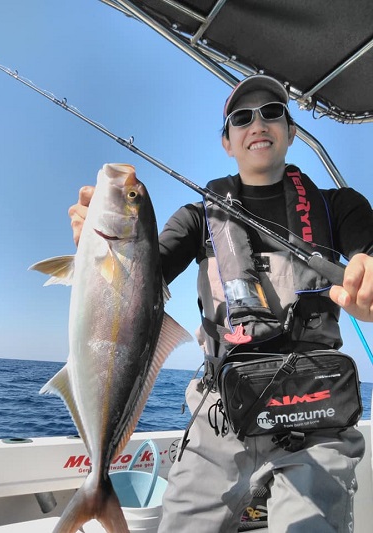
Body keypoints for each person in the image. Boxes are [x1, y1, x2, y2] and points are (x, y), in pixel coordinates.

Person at [69, 75, 373, 532]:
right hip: (220, 412)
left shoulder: (340, 207)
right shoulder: (196, 219)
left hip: (315, 412)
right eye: (242, 117)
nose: (258, 124)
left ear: (291, 131)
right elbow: (137, 285)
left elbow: (369, 251)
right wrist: (98, 251)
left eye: (272, 112)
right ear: (227, 142)